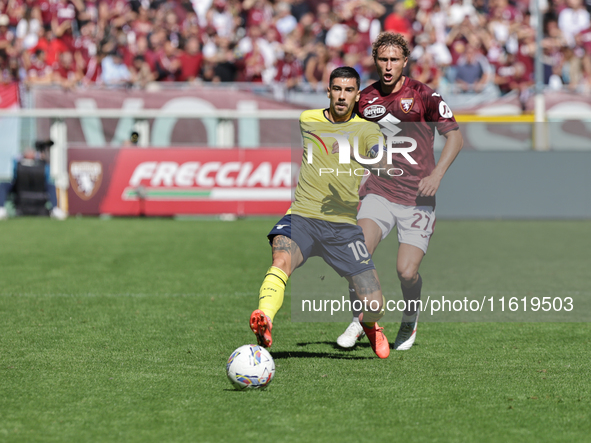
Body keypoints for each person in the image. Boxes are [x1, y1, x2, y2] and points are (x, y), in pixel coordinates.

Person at [250, 66, 394, 359]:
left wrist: (369, 161)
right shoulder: (308, 120)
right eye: (337, 89)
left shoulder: (367, 129)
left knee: (375, 303)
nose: (342, 96)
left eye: (349, 90)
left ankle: (369, 324)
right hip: (302, 216)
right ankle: (264, 318)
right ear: (328, 91)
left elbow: (382, 160)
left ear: (357, 96)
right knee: (281, 257)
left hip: (342, 226)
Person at [336, 32, 463, 351]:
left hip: (418, 198)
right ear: (375, 61)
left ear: (405, 61)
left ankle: (410, 316)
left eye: (394, 59)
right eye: (383, 59)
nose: (388, 65)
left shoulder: (424, 95)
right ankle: (359, 320)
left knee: (406, 272)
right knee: (357, 256)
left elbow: (456, 138)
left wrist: (436, 174)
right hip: (379, 192)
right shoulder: (363, 99)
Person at [0, 140, 67, 221]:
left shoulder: (41, 161)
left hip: (38, 186)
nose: (30, 153)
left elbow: (47, 176)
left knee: (51, 186)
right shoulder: (18, 160)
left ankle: (55, 209)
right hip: (19, 186)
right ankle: (1, 209)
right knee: (3, 185)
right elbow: (15, 174)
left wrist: (43, 158)